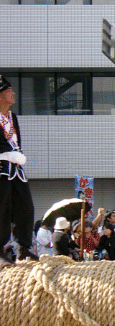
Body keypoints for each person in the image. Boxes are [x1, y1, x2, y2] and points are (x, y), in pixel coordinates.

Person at [0, 75, 37, 265]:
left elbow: (17, 142)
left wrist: (17, 155)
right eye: (9, 91)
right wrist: (5, 155)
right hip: (1, 168)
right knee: (2, 209)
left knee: (26, 207)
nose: (13, 93)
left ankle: (23, 248)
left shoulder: (12, 117)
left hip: (16, 169)